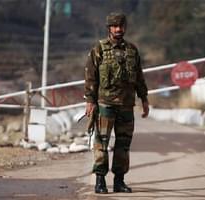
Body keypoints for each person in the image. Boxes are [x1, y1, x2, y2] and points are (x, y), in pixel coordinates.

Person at [84, 12, 149, 194]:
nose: (118, 29)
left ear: (125, 27)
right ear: (109, 28)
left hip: (126, 105)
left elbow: (139, 78)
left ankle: (119, 181)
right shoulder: (99, 49)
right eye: (114, 26)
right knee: (101, 143)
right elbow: (90, 77)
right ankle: (100, 181)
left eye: (121, 26)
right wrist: (90, 101)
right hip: (105, 104)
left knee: (123, 144)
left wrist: (144, 99)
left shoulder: (132, 50)